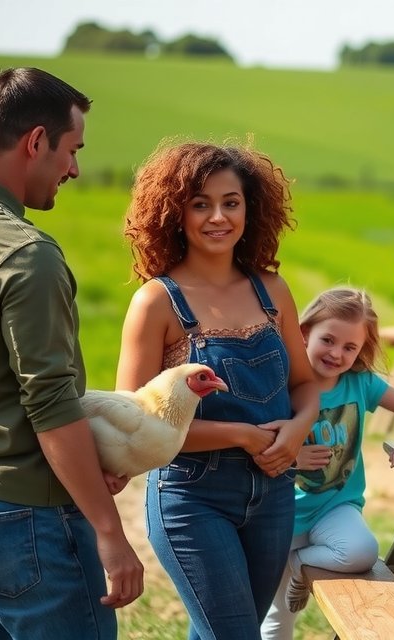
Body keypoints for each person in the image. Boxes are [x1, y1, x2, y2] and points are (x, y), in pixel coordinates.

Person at [0, 67, 144, 639]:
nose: (74, 168)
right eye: (71, 150)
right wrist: (109, 530)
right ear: (34, 142)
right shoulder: (25, 254)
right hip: (25, 515)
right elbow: (50, 405)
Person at [116, 141, 320, 639]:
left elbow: (305, 382)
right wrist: (244, 436)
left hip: (274, 493)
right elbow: (134, 425)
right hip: (192, 497)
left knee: (229, 630)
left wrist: (297, 429)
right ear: (174, 212)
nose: (218, 217)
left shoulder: (272, 290)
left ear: (251, 207)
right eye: (200, 203)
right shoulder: (156, 303)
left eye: (231, 202)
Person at [260, 286, 394, 640]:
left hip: (334, 507)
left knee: (363, 553)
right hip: (280, 515)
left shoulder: (360, 383)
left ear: (361, 350)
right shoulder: (281, 382)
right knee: (277, 616)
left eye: (350, 347)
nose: (337, 353)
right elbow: (257, 444)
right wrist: (292, 458)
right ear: (303, 333)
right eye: (328, 340)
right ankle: (291, 567)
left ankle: (299, 564)